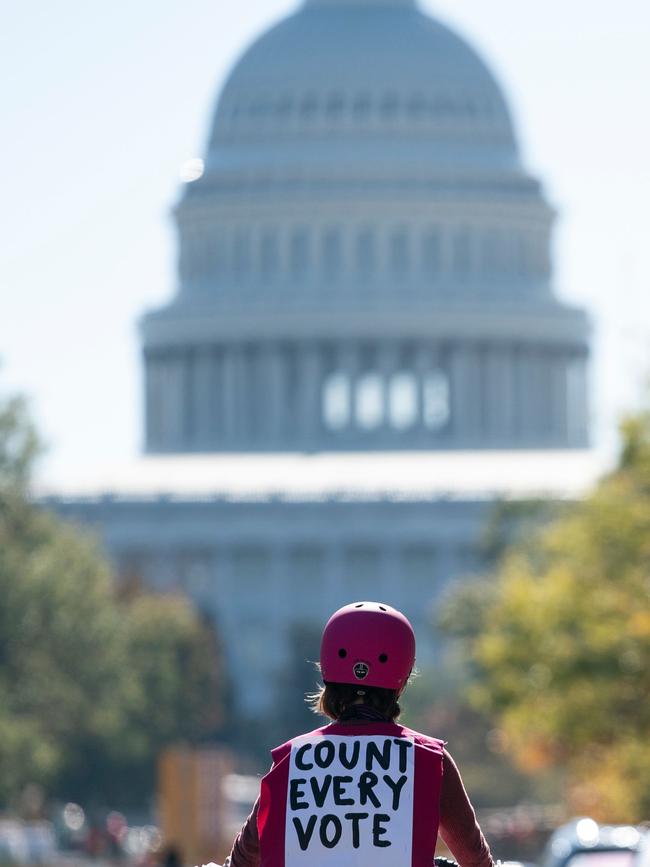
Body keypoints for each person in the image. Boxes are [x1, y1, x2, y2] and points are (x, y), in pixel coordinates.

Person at [223, 601, 496, 867]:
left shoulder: (292, 761)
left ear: (327, 672)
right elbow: (473, 858)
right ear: (403, 677)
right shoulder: (428, 760)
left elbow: (244, 858)